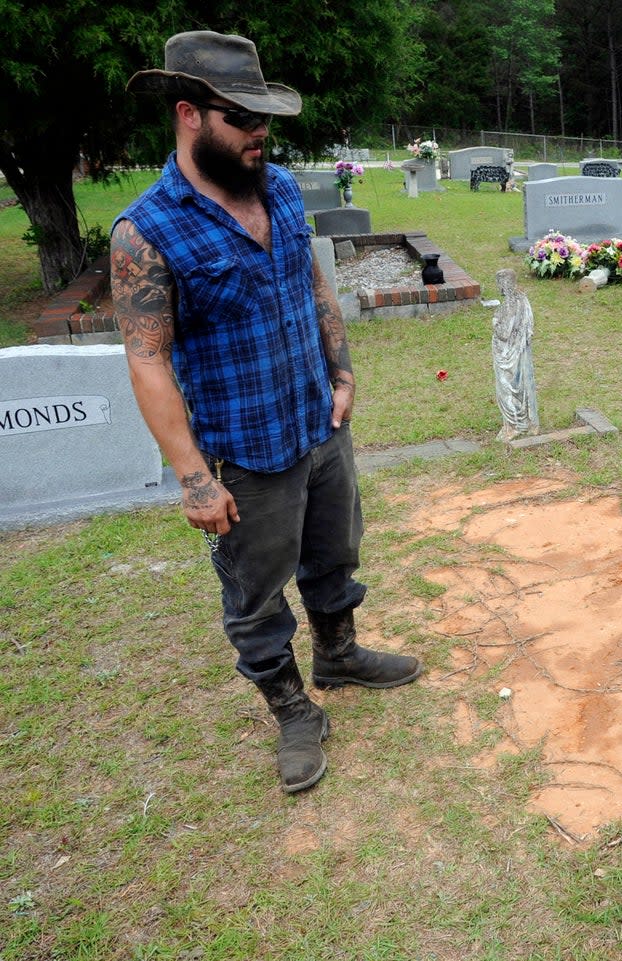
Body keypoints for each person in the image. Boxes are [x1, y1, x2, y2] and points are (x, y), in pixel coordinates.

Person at [112, 31, 420, 794]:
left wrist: (341, 369)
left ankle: (339, 654)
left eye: (265, 119)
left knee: (334, 551)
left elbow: (313, 286)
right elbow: (147, 357)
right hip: (244, 452)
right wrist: (191, 475)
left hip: (318, 424)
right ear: (189, 114)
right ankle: (292, 709)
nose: (259, 134)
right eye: (241, 118)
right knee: (254, 593)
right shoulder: (147, 231)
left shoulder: (278, 187)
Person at [490, 268, 539, 441]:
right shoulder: (523, 299)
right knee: (519, 385)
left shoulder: (510, 304)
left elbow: (504, 332)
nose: (499, 288)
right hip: (519, 352)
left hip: (508, 354)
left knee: (508, 387)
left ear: (504, 284)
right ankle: (524, 422)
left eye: (499, 284)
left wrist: (495, 321)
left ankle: (514, 425)